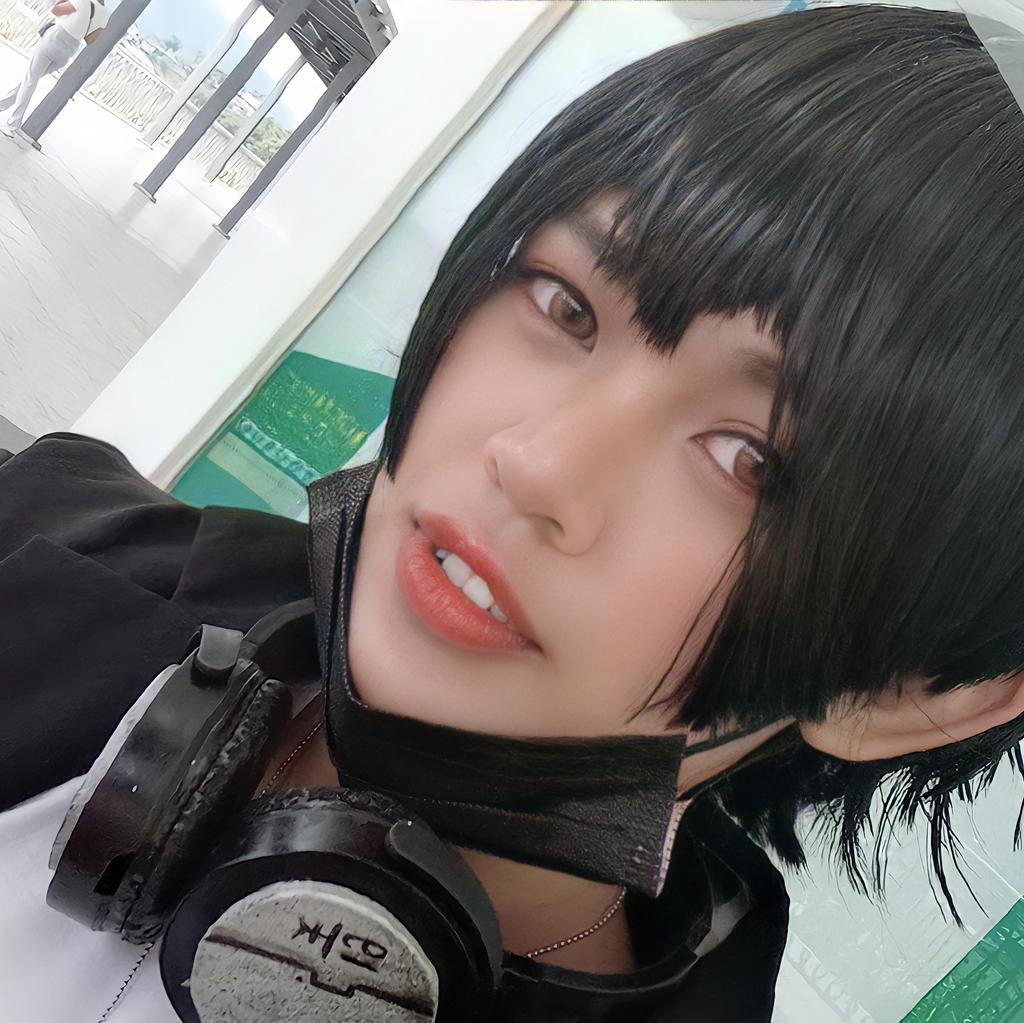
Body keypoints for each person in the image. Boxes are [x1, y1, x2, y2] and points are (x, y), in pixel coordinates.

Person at [2, 4, 1024, 1021]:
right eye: (565, 305)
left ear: (920, 695)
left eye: (747, 459)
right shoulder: (42, 530)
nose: (536, 463)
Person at [0, 0, 109, 137]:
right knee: (31, 79)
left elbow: (57, 10)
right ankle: (2, 104)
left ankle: (13, 123)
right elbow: (90, 40)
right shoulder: (104, 14)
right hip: (67, 52)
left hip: (53, 41)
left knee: (30, 80)